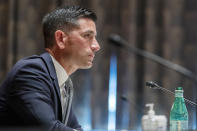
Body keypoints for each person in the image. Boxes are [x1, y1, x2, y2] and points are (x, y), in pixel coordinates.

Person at [0, 5, 100, 131]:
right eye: (87, 36)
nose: (96, 46)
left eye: (95, 37)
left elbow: (75, 128)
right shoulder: (31, 71)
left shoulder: (64, 84)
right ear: (60, 39)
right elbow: (50, 129)